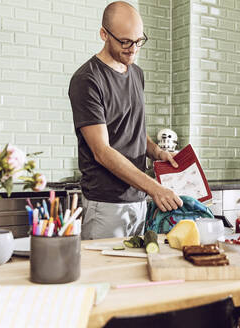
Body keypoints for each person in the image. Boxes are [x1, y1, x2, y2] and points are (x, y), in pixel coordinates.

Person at [68, 1, 183, 240]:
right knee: (104, 275)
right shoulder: (87, 80)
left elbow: (133, 129)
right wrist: (154, 188)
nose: (133, 49)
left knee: (135, 274)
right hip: (106, 204)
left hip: (138, 200)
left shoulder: (136, 74)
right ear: (103, 34)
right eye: (125, 42)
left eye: (139, 41)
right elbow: (102, 151)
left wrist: (158, 153)